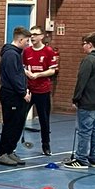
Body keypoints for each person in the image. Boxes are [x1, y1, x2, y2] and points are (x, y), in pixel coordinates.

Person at [63, 33, 95, 170]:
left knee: (84, 130)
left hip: (88, 101)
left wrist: (76, 98)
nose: (82, 47)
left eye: (83, 44)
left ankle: (81, 159)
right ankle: (94, 158)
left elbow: (82, 80)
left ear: (90, 44)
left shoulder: (89, 60)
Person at [0, 26, 32, 166]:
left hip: (17, 94)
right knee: (10, 124)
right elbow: (13, 76)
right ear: (20, 39)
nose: (28, 44)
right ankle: (2, 153)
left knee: (17, 124)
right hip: (11, 95)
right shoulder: (11, 55)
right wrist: (23, 92)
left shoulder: (17, 54)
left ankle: (10, 150)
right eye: (27, 41)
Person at [22, 24, 59, 158]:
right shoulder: (26, 51)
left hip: (43, 91)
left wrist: (38, 75)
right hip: (29, 91)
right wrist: (27, 73)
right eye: (31, 34)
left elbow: (52, 70)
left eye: (35, 34)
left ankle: (46, 145)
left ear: (42, 36)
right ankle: (13, 145)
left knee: (44, 120)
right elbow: (23, 67)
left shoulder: (49, 51)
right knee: (20, 117)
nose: (32, 37)